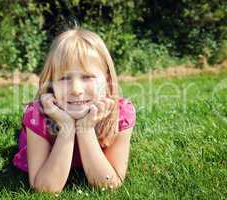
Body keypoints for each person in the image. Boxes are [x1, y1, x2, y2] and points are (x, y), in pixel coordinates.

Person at [12, 27, 136, 194]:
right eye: (64, 78)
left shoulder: (121, 114)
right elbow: (45, 189)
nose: (76, 89)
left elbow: (109, 184)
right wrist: (66, 126)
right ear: (51, 83)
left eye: (86, 77)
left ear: (106, 80)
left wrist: (86, 128)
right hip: (44, 129)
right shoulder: (38, 116)